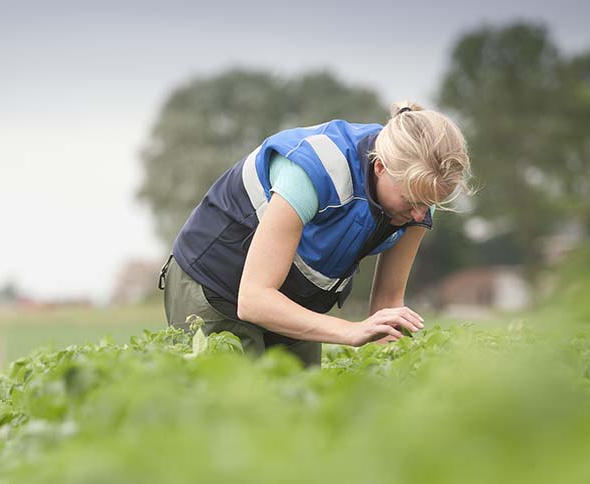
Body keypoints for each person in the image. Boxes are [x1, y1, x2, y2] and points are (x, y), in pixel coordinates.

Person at [159, 101, 472, 366]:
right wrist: (351, 332)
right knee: (238, 409)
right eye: (413, 201)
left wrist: (390, 373)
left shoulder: (417, 194)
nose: (420, 215)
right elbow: (253, 300)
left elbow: (388, 303)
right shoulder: (314, 170)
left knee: (301, 410)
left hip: (293, 297)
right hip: (216, 286)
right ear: (380, 168)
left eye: (431, 203)